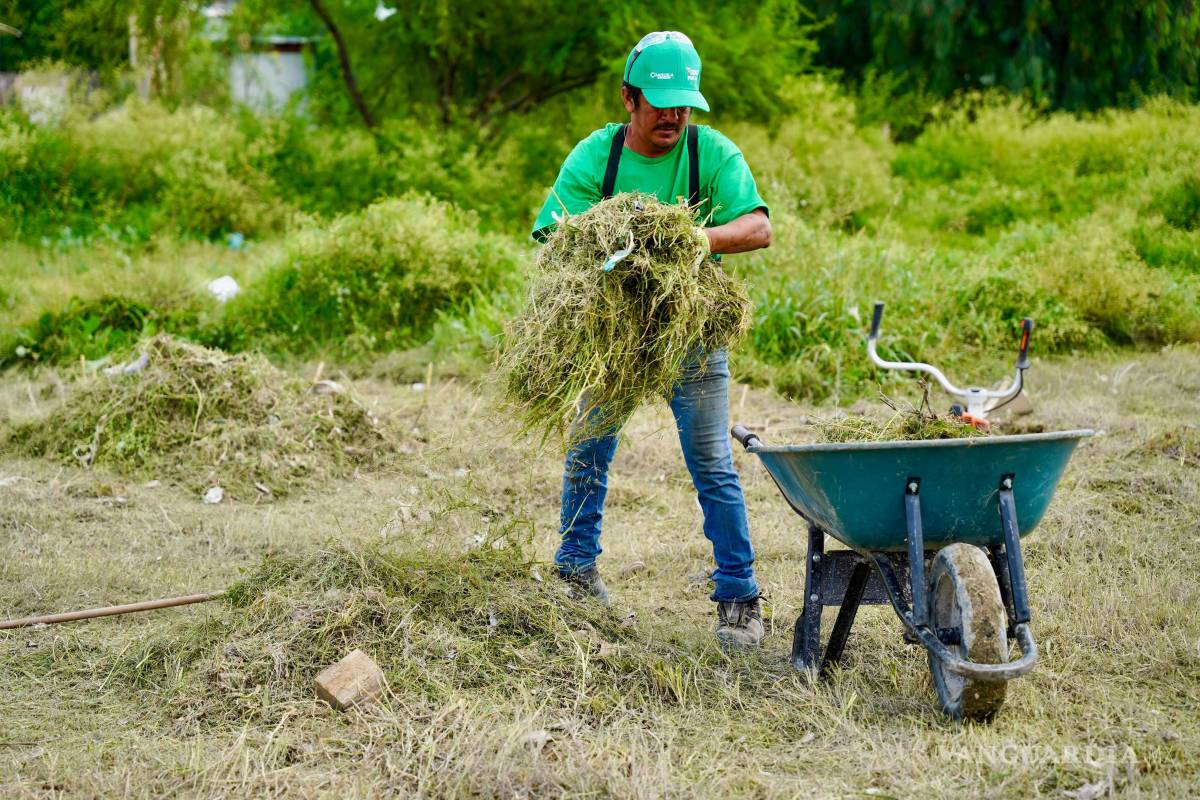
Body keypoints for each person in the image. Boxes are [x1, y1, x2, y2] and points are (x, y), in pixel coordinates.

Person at [530, 31, 772, 649]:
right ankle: (576, 574)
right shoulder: (597, 156)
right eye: (660, 103)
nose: (672, 116)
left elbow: (758, 227)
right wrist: (609, 242)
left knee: (713, 464)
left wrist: (697, 240)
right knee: (588, 449)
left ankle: (738, 597)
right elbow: (549, 231)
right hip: (612, 332)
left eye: (683, 104)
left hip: (688, 330)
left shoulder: (709, 152)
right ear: (628, 98)